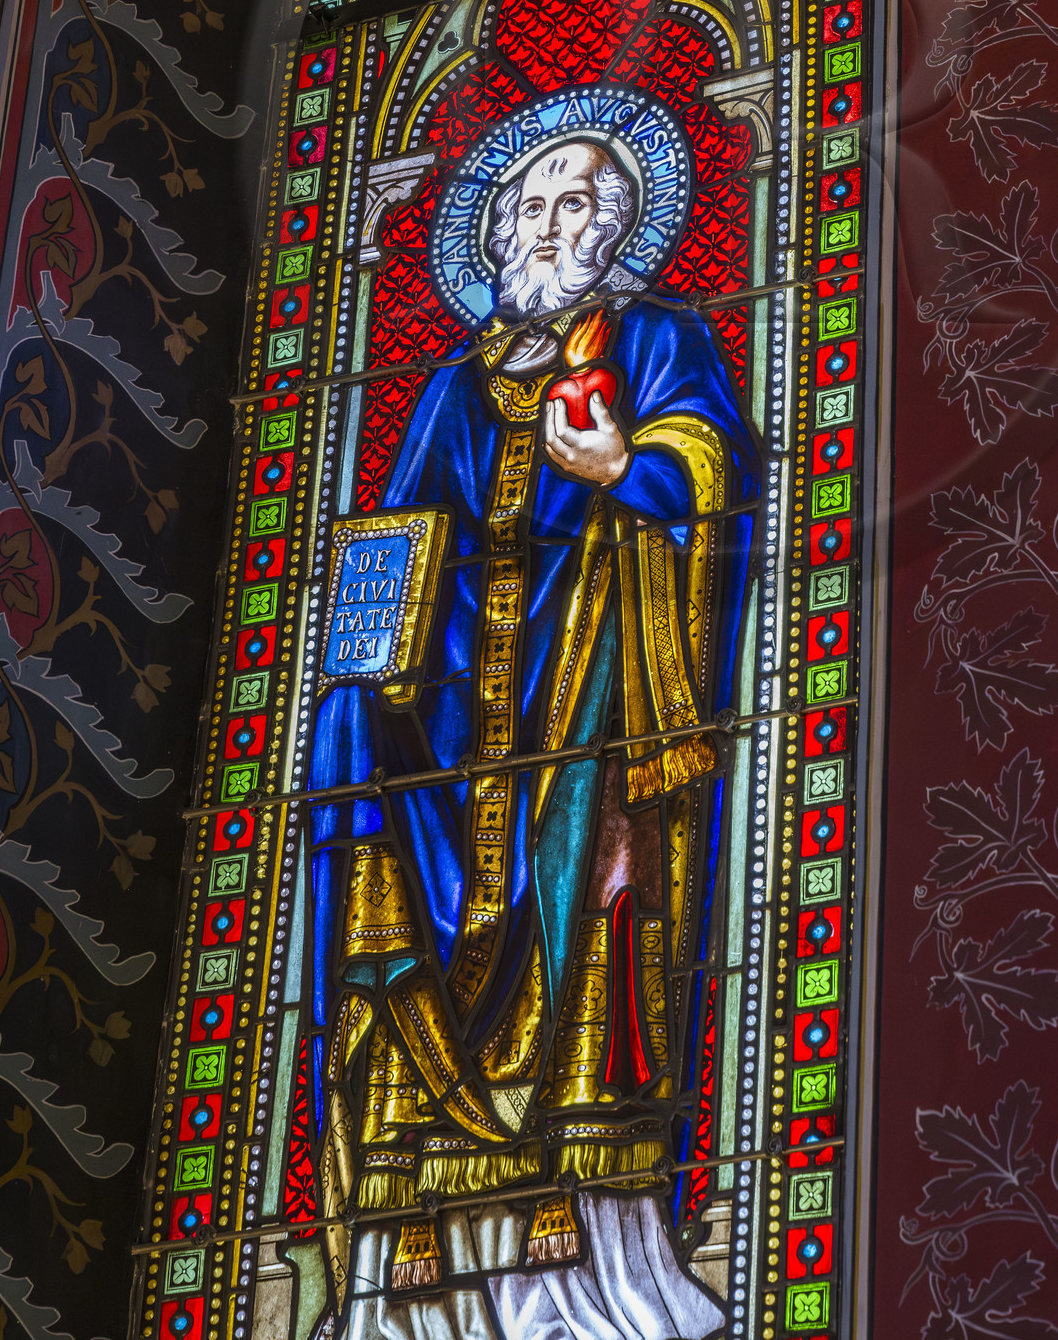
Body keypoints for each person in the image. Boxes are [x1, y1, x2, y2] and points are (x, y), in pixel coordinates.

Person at [308, 135, 759, 1340]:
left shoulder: (655, 342)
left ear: (619, 231)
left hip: (593, 709)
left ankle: (588, 1271)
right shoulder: (457, 389)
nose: (552, 225)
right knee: (398, 897)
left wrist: (625, 463)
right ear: (496, 235)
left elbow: (713, 462)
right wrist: (370, 672)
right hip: (458, 732)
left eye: (578, 204)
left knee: (591, 930)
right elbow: (403, 548)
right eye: (532, 206)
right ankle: (412, 1289)